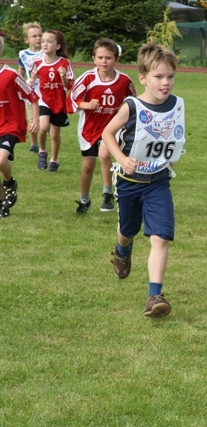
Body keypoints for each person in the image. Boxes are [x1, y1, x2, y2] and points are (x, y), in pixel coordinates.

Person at [102, 42, 185, 319]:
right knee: (128, 230)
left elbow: (174, 136)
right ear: (143, 78)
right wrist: (121, 158)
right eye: (159, 76)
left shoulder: (177, 105)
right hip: (129, 181)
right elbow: (107, 133)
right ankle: (122, 250)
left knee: (160, 237)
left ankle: (154, 295)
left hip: (158, 182)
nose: (165, 82)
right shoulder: (132, 106)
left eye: (170, 76)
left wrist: (171, 156)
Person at [68, 38, 136, 214]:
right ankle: (84, 199)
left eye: (108, 58)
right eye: (100, 58)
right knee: (88, 166)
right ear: (94, 59)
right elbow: (72, 99)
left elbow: (133, 102)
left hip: (112, 127)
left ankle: (107, 193)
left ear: (116, 59)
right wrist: (87, 104)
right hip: (89, 128)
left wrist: (125, 114)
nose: (104, 61)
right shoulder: (88, 78)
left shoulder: (124, 80)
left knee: (104, 154)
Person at [0, 36, 40, 217]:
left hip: (10, 125)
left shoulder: (11, 75)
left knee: (0, 161)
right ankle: (2, 202)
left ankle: (9, 182)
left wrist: (35, 120)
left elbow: (32, 96)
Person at [29, 29, 73, 172]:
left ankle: (54, 160)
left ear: (58, 46)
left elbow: (68, 86)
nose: (45, 44)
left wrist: (63, 76)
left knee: (54, 134)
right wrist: (30, 82)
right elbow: (32, 78)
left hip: (58, 101)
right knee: (43, 127)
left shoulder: (64, 63)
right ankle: (42, 152)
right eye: (43, 41)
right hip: (43, 100)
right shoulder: (37, 62)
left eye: (49, 41)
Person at [17, 22, 43, 154]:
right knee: (31, 119)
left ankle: (43, 140)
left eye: (40, 35)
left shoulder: (47, 52)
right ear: (27, 40)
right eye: (34, 36)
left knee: (44, 120)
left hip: (45, 91)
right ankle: (34, 144)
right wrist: (19, 85)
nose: (38, 38)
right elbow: (21, 70)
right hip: (30, 90)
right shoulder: (23, 54)